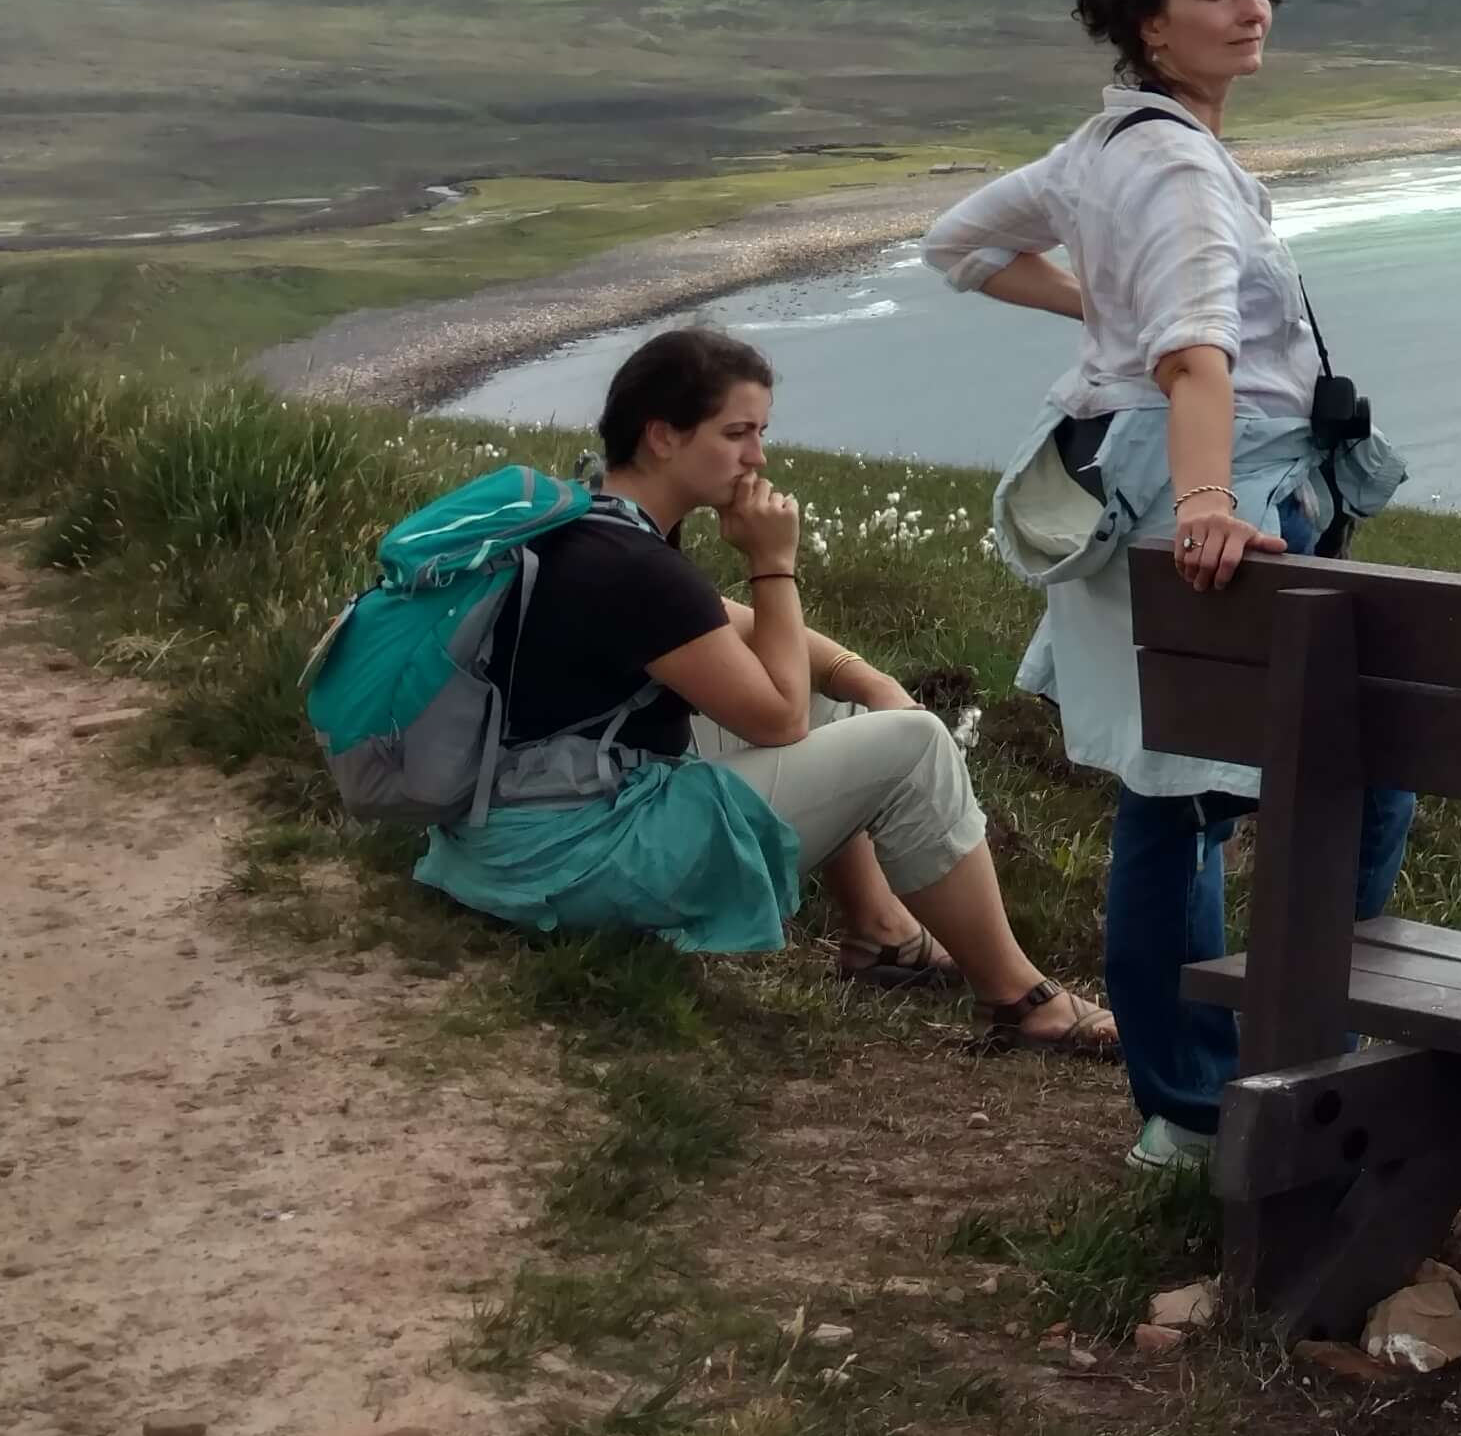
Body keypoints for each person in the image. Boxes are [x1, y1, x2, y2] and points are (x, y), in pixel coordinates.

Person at [922, 0, 1415, 1173]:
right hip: (1215, 484)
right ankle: (1246, 1077)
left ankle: (1185, 1102)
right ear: (1148, 25)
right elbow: (1198, 358)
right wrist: (1205, 505)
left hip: (1112, 470)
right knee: (1336, 772)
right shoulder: (1184, 172)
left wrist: (1102, 312)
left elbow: (957, 246)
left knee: (1169, 794)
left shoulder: (1102, 150)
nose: (1250, 7)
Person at [432, 324, 1117, 1052]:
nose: (758, 456)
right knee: (909, 746)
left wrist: (866, 677)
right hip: (565, 865)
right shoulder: (631, 567)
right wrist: (772, 561)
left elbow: (728, 626)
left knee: (840, 705)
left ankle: (882, 935)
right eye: (737, 433)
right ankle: (1019, 999)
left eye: (760, 431)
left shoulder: (589, 522)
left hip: (504, 839)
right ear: (663, 436)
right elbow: (779, 720)